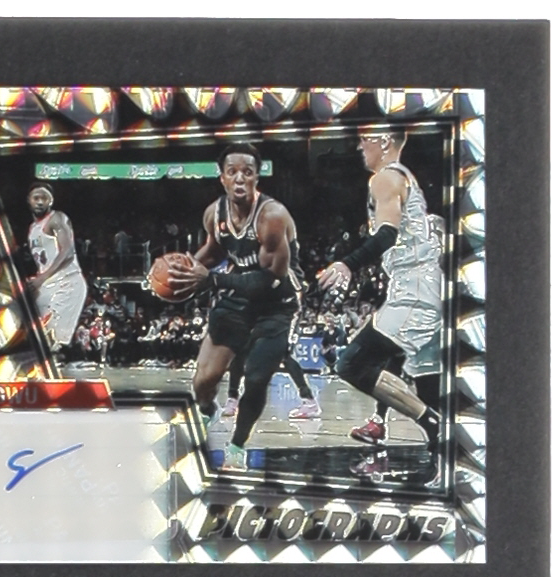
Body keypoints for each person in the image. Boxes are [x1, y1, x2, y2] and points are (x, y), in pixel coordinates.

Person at [168, 143, 304, 471]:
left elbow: (270, 278)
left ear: (257, 177)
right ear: (222, 178)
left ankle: (238, 445)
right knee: (204, 379)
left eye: (247, 172)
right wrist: (183, 271)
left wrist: (212, 280)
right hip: (237, 294)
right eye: (232, 172)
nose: (240, 178)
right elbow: (215, 250)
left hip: (278, 301)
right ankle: (208, 411)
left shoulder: (272, 216)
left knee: (256, 378)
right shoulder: (214, 213)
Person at [318, 127, 443, 479]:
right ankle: (442, 462)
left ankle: (432, 424)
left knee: (352, 363)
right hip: (425, 287)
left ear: (385, 140)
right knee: (427, 379)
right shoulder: (405, 178)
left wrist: (347, 264)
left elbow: (387, 234)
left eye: (365, 139)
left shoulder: (385, 178)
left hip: (415, 290)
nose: (359, 145)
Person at [25, 181, 88, 351]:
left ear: (51, 201)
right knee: (31, 335)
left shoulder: (57, 218)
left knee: (51, 340)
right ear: (29, 200)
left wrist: (42, 278)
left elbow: (67, 251)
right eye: (36, 198)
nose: (40, 202)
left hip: (67, 283)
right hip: (47, 286)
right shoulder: (32, 228)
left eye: (44, 198)